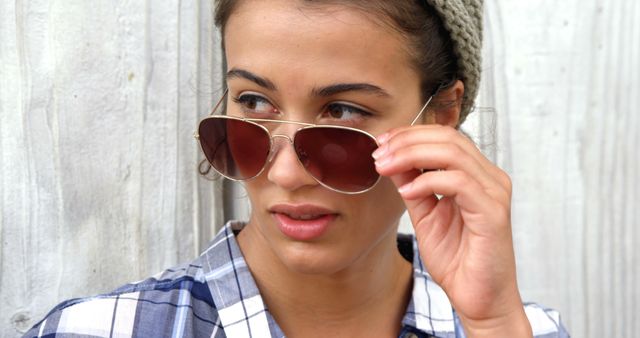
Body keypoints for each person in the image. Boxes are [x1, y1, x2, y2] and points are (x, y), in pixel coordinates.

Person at [25, 0, 570, 337]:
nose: (285, 174)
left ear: (442, 115)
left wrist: (493, 326)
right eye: (254, 103)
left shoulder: (523, 331)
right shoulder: (96, 331)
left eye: (343, 112)